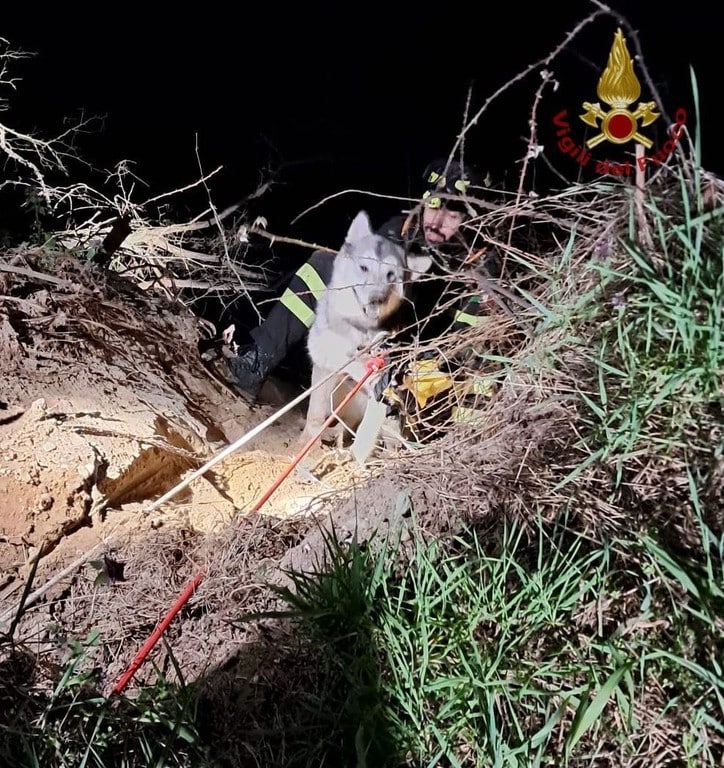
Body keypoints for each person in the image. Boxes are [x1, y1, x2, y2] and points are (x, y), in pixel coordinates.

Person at [226, 157, 498, 403]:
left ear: (470, 219)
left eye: (452, 214)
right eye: (434, 205)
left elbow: (471, 343)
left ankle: (436, 426)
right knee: (323, 265)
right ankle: (257, 362)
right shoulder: (398, 229)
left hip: (427, 355)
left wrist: (420, 362)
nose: (437, 221)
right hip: (382, 336)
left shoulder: (482, 264)